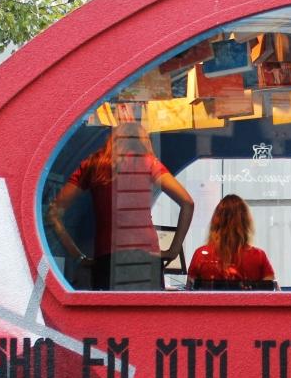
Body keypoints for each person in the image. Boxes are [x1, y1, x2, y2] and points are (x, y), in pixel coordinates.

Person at [48, 122, 193, 290]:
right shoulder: (149, 163)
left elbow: (53, 213)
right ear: (143, 140)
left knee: (111, 307)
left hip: (107, 259)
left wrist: (78, 256)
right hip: (146, 258)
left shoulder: (92, 164)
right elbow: (187, 203)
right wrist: (173, 250)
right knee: (147, 307)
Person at [187, 195, 275, 287]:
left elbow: (189, 291)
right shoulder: (258, 256)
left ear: (216, 222)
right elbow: (273, 293)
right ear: (246, 223)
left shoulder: (201, 255)